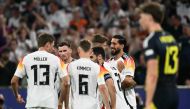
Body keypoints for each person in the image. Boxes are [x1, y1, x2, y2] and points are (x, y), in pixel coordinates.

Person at [137, 2, 179, 109]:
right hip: (174, 93)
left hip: (159, 96)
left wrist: (148, 103)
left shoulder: (150, 41)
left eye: (141, 17)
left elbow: (152, 75)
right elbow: (176, 71)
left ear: (150, 18)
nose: (139, 21)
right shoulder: (171, 38)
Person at [11, 33, 68, 109]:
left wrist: (17, 96)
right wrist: (60, 101)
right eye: (53, 45)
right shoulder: (57, 60)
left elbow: (13, 81)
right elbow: (66, 82)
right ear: (47, 44)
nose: (54, 49)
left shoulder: (25, 59)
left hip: (32, 104)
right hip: (50, 104)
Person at [59, 40, 111, 109]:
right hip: (92, 106)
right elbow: (102, 88)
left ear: (78, 50)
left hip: (76, 106)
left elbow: (66, 85)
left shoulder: (71, 66)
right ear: (91, 51)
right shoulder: (97, 67)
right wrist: (108, 106)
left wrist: (65, 106)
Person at [108, 35, 136, 109]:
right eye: (111, 43)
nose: (111, 46)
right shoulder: (109, 62)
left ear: (122, 46)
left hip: (127, 104)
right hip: (115, 104)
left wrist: (118, 74)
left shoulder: (127, 60)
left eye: (114, 44)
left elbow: (129, 83)